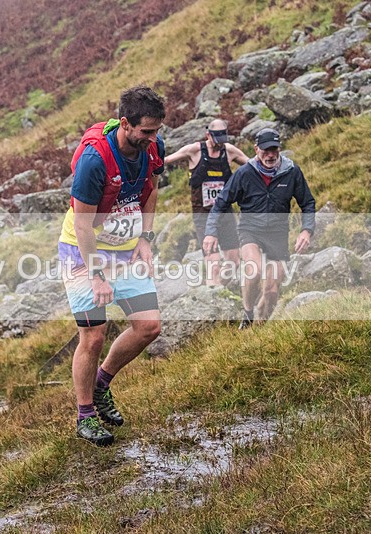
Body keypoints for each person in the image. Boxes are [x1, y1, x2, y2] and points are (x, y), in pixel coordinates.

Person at [59, 86, 165, 446]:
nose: (153, 138)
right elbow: (83, 224)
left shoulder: (151, 149)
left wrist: (146, 240)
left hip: (125, 250)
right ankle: (85, 415)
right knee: (94, 335)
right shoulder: (94, 161)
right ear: (125, 124)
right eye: (146, 132)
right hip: (82, 251)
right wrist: (97, 274)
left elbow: (150, 192)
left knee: (149, 326)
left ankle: (102, 383)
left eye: (156, 131)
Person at [203, 128, 315, 329]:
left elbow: (307, 202)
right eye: (265, 150)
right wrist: (211, 232)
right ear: (256, 149)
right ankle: (247, 313)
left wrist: (307, 230)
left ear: (279, 149)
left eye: (274, 150)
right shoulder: (245, 173)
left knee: (272, 290)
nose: (270, 155)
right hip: (250, 229)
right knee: (253, 270)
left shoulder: (291, 172)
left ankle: (260, 326)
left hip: (278, 233)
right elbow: (220, 203)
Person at [164, 119, 248, 285]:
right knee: (214, 264)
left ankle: (218, 290)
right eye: (216, 140)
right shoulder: (194, 150)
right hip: (203, 215)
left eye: (222, 140)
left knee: (234, 262)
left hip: (225, 214)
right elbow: (165, 161)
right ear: (208, 135)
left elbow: (253, 166)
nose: (219, 144)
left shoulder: (229, 151)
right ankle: (213, 298)